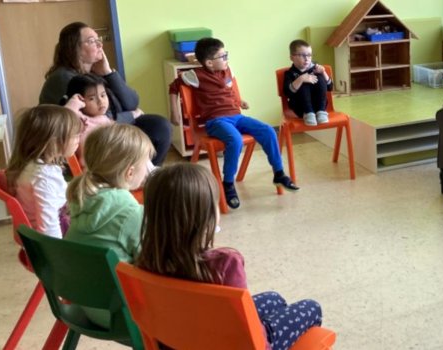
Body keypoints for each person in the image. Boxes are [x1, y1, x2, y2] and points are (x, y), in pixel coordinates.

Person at [136, 163, 323, 350]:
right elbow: (253, 338)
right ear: (206, 217)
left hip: (184, 338)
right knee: (311, 307)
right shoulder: (225, 263)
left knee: (275, 299)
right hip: (234, 344)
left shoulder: (146, 260)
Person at [168, 37, 298, 210]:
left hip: (237, 117)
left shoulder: (227, 70)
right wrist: (174, 112)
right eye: (222, 56)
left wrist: (239, 100)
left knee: (268, 130)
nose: (226, 58)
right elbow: (173, 87)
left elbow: (228, 89)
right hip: (216, 121)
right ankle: (228, 183)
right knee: (235, 140)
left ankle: (279, 173)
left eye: (225, 54)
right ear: (209, 62)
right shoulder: (196, 75)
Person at [39, 21, 171, 166]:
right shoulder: (64, 78)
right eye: (91, 41)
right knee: (150, 133)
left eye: (98, 40)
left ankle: (145, 177)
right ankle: (132, 178)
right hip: (88, 138)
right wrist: (132, 115)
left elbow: (132, 102)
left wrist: (108, 73)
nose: (100, 45)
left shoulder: (94, 72)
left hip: (110, 127)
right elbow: (97, 120)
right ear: (74, 48)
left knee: (159, 126)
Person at [65, 123, 153, 263]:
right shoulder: (132, 214)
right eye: (146, 163)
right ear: (129, 173)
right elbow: (151, 263)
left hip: (78, 282)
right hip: (117, 284)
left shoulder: (80, 200)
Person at [6, 105, 82, 238]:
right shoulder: (45, 176)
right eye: (74, 135)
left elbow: (53, 195)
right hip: (55, 237)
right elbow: (48, 225)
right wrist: (57, 253)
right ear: (52, 141)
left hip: (43, 228)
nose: (78, 139)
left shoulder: (30, 165)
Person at [61, 74, 114, 161]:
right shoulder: (79, 120)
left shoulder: (103, 117)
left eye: (103, 95)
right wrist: (73, 104)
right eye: (92, 98)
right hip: (96, 164)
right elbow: (63, 120)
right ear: (79, 100)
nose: (101, 101)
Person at [282, 39, 333, 126]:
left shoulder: (316, 68)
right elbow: (287, 92)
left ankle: (321, 111)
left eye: (309, 55)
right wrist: (301, 79)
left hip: (318, 106)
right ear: (292, 58)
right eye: (302, 55)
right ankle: (308, 112)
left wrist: (323, 72)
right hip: (300, 108)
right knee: (303, 80)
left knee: (319, 77)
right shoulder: (289, 73)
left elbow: (330, 87)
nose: (306, 59)